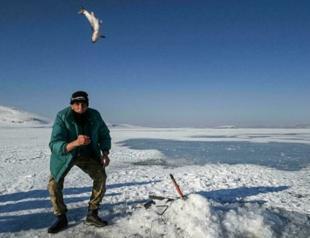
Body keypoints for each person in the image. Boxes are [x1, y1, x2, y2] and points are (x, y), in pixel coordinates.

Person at [47, 91, 111, 233]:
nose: (80, 106)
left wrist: (105, 153)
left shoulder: (94, 115)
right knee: (53, 183)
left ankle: (92, 213)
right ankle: (61, 217)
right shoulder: (62, 116)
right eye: (77, 103)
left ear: (87, 104)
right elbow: (54, 143)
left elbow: (104, 134)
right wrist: (75, 143)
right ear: (72, 104)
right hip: (66, 154)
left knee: (101, 176)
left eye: (83, 103)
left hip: (88, 153)